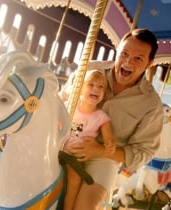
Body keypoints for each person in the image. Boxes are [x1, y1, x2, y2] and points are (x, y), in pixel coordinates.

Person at [61, 28, 163, 209]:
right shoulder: (90, 69)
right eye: (124, 54)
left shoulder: (151, 104)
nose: (127, 62)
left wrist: (99, 150)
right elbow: (61, 101)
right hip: (66, 139)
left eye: (138, 59)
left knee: (85, 206)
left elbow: (143, 152)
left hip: (103, 159)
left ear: (149, 63)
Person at [62, 70, 116, 210]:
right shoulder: (69, 106)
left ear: (104, 94)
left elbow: (108, 137)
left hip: (74, 157)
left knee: (75, 179)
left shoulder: (101, 117)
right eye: (91, 84)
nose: (95, 89)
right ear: (80, 88)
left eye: (101, 87)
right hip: (58, 149)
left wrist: (109, 144)